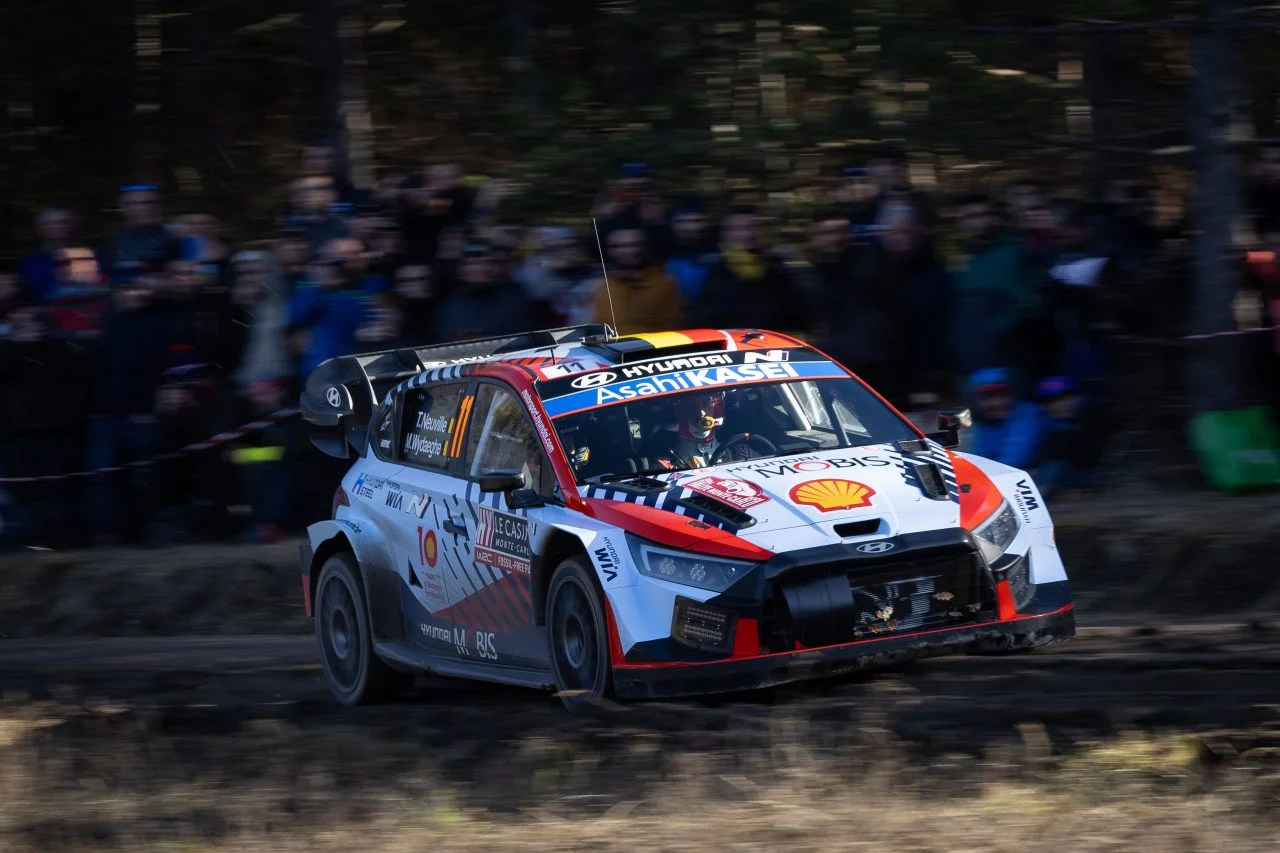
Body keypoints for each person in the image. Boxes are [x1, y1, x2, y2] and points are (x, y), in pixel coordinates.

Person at [590, 228, 683, 334]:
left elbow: (672, 328)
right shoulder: (600, 285)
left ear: (646, 247)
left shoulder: (664, 284)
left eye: (634, 244)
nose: (628, 251)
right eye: (617, 246)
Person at [965, 368, 1043, 470]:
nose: (997, 403)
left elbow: (1014, 459)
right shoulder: (975, 421)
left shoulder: (1029, 414)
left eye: (1002, 395)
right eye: (987, 398)